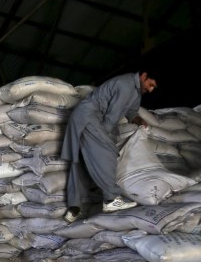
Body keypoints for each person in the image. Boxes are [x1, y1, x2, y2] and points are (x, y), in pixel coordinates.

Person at [61, 70, 158, 222]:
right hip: (89, 116)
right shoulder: (126, 84)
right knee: (108, 152)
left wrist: (139, 120)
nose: (151, 89)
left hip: (84, 117)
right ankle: (111, 199)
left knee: (81, 163)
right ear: (144, 76)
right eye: (151, 84)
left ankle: (74, 208)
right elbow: (112, 116)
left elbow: (131, 112)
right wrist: (105, 139)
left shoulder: (136, 93)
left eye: (154, 88)